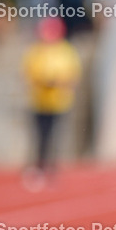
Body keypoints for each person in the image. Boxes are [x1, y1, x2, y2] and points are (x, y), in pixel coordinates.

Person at [22, 19, 81, 188]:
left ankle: (53, 167)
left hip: (60, 102)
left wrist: (58, 82)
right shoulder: (36, 51)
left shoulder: (66, 51)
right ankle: (40, 166)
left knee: (56, 137)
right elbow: (29, 73)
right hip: (39, 101)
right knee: (41, 136)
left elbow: (72, 75)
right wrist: (44, 81)